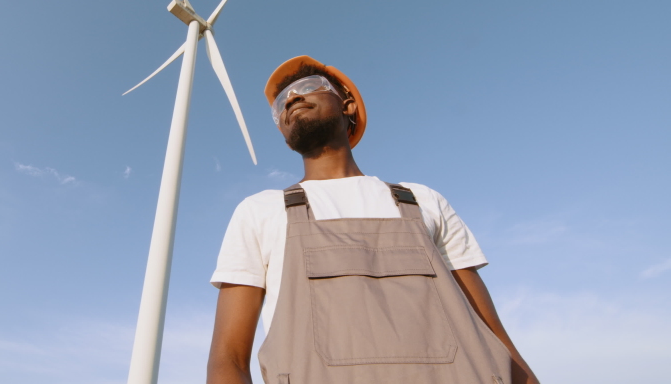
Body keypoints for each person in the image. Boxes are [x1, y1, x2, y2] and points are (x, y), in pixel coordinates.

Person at [206, 56, 539, 384]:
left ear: (347, 104)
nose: (291, 99)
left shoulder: (423, 200)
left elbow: (494, 338)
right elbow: (228, 360)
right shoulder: (259, 211)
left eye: (308, 87)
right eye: (280, 104)